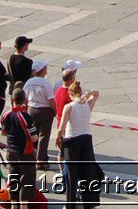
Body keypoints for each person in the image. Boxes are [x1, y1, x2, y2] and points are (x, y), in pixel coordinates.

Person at [56, 81, 103, 209]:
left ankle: (71, 204)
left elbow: (61, 128)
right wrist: (87, 95)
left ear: (70, 93)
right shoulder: (87, 105)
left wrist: (58, 138)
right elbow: (97, 93)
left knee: (72, 174)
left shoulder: (69, 106)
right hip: (86, 139)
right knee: (88, 171)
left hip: (72, 141)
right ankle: (89, 203)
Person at [1, 86, 38, 209]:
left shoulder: (6, 115)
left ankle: (13, 206)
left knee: (13, 179)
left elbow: (3, 132)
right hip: (25, 153)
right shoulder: (25, 116)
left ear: (12, 100)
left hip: (11, 151)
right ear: (24, 100)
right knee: (26, 182)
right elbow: (34, 138)